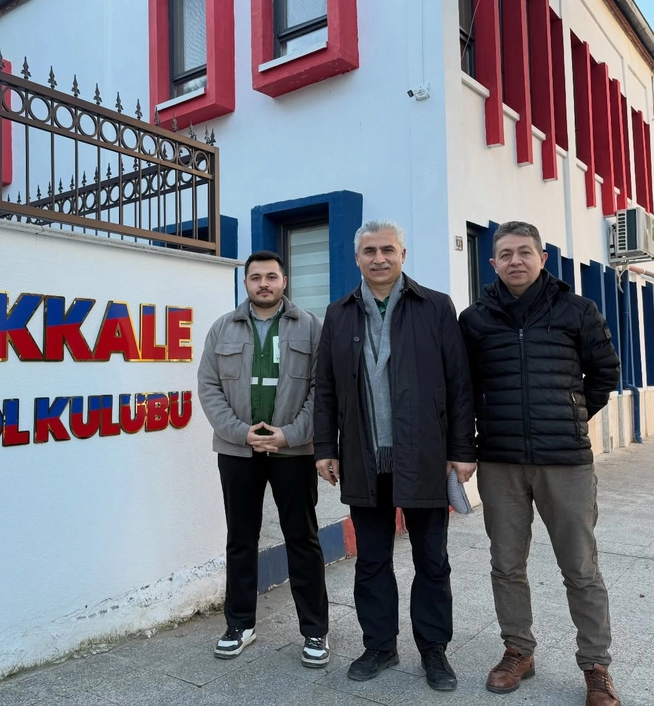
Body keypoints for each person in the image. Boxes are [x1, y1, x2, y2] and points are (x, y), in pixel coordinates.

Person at [459, 221, 622, 706]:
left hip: (565, 462)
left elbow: (605, 372)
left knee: (581, 567)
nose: (516, 261)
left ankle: (595, 665)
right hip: (500, 460)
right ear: (493, 263)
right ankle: (518, 651)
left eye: (525, 252)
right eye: (506, 254)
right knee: (507, 564)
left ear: (542, 257)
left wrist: (570, 416)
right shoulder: (475, 319)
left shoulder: (577, 310)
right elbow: (462, 387)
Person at [313, 219, 476, 692]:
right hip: (363, 458)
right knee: (371, 562)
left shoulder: (435, 307)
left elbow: (459, 383)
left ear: (403, 254)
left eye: (388, 250)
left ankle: (434, 650)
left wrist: (462, 449)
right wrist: (325, 448)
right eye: (370, 251)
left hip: (424, 456)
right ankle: (380, 646)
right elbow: (325, 387)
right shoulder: (339, 313)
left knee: (432, 561)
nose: (379, 258)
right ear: (357, 258)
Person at [197, 250, 329, 668]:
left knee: (302, 539)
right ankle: (239, 625)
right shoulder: (222, 328)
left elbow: (321, 389)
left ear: (284, 281)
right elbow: (208, 388)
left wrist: (290, 434)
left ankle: (315, 631)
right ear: (246, 283)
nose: (264, 284)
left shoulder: (310, 327)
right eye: (256, 277)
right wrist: (241, 433)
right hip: (237, 451)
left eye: (271, 277)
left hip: (294, 451)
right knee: (240, 538)